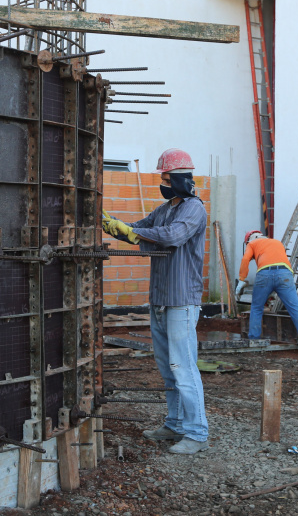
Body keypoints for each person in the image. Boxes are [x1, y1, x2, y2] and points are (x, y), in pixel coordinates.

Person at [102, 148, 209, 455]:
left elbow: (172, 236)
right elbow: (138, 230)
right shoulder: (163, 210)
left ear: (180, 179)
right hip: (160, 300)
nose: (162, 182)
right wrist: (111, 224)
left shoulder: (193, 209)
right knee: (167, 368)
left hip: (181, 302)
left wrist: (135, 234)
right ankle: (174, 424)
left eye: (166, 177)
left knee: (184, 367)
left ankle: (198, 433)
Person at [236, 231, 298, 353]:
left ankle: (254, 342)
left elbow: (245, 259)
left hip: (264, 275)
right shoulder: (276, 242)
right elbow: (278, 259)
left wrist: (242, 279)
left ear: (249, 240)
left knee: (257, 308)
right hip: (285, 274)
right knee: (295, 310)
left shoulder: (252, 244)